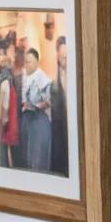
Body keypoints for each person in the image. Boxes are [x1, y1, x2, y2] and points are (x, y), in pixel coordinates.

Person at [19, 47, 53, 173]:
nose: (26, 65)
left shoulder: (43, 79)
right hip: (27, 120)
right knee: (27, 157)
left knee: (37, 158)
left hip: (39, 121)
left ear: (37, 63)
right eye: (25, 62)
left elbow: (48, 102)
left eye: (29, 62)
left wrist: (37, 106)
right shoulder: (23, 76)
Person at [0, 39, 21, 169]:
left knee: (5, 145)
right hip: (11, 115)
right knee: (8, 145)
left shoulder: (4, 80)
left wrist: (3, 118)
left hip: (7, 117)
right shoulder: (10, 78)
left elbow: (4, 103)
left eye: (1, 62)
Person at [51, 35, 68, 176]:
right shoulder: (54, 84)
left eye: (67, 57)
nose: (65, 61)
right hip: (61, 132)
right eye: (62, 57)